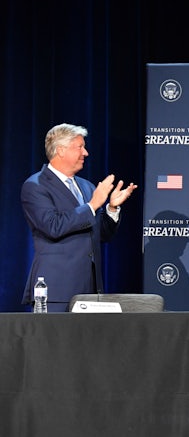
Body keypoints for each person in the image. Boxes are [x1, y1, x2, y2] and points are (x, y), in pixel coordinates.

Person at [21, 123, 138, 312]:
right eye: (80, 147)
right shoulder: (36, 186)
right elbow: (53, 226)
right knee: (55, 342)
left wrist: (111, 208)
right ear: (61, 150)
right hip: (56, 292)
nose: (86, 153)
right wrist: (92, 205)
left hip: (90, 292)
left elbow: (101, 235)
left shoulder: (87, 186)